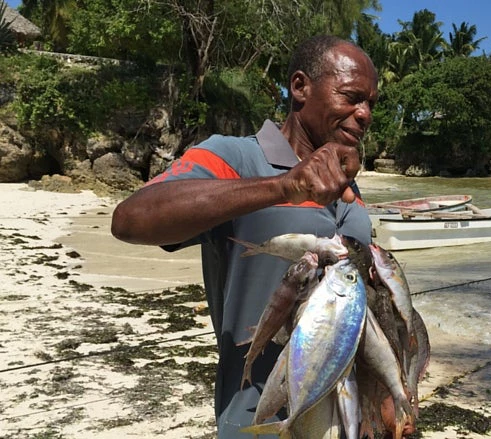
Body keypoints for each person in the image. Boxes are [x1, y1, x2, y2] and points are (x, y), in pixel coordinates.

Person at [111, 35, 378, 437]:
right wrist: (283, 186)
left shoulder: (350, 192)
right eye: (352, 97)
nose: (365, 114)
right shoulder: (233, 156)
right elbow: (131, 218)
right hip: (260, 421)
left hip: (350, 418)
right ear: (300, 87)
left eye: (371, 103)